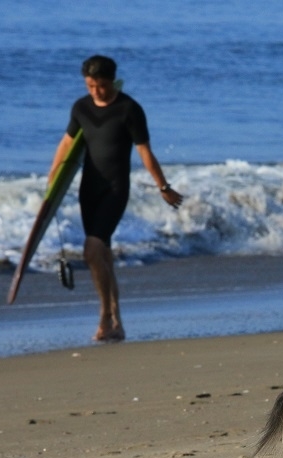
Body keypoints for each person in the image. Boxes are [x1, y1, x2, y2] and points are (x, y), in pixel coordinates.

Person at [49, 55, 183, 342]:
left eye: (100, 85)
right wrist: (52, 180)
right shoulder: (81, 107)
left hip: (115, 189)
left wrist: (163, 186)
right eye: (90, 85)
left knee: (91, 251)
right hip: (89, 190)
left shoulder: (129, 109)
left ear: (112, 80)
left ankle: (104, 316)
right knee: (103, 257)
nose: (95, 91)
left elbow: (145, 151)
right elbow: (67, 143)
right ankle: (116, 322)